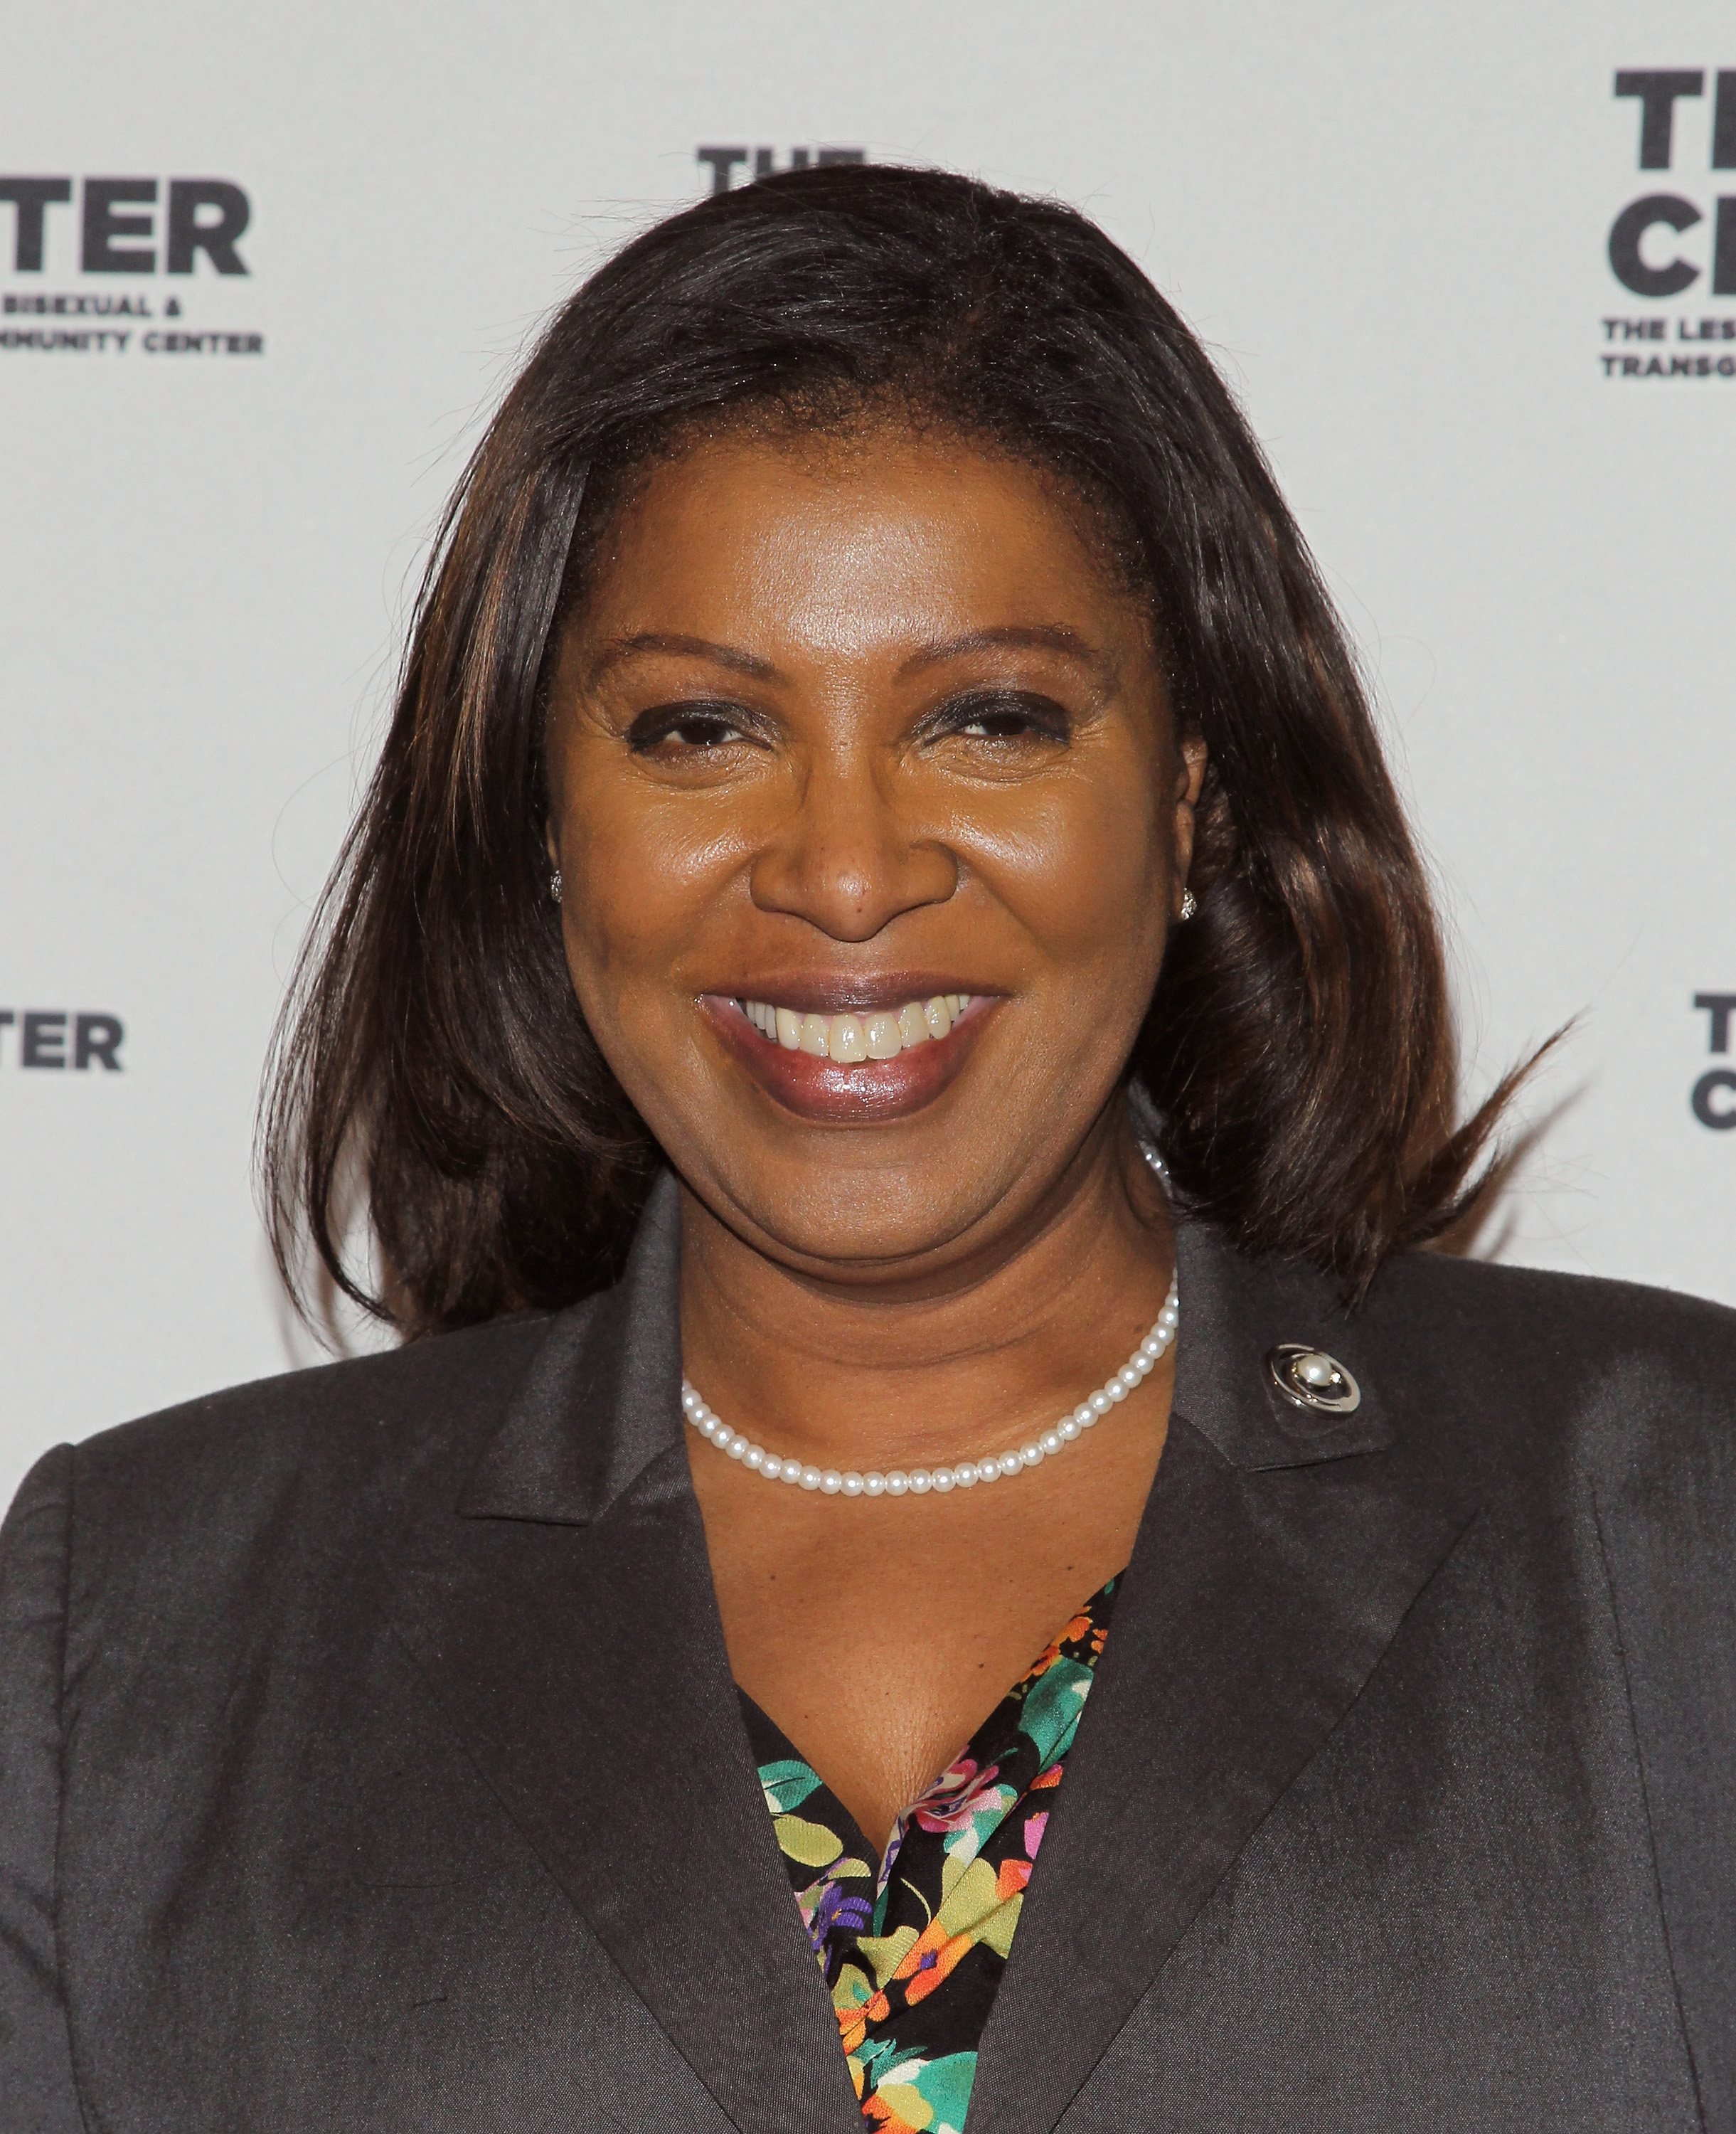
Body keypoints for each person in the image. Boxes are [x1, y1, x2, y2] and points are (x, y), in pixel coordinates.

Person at [1, 163, 1731, 2134]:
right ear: (544, 812)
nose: (841, 876)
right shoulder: (135, 1633)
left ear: (1189, 800)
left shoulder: (1665, 1520)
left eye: (988, 720)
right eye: (698, 732)